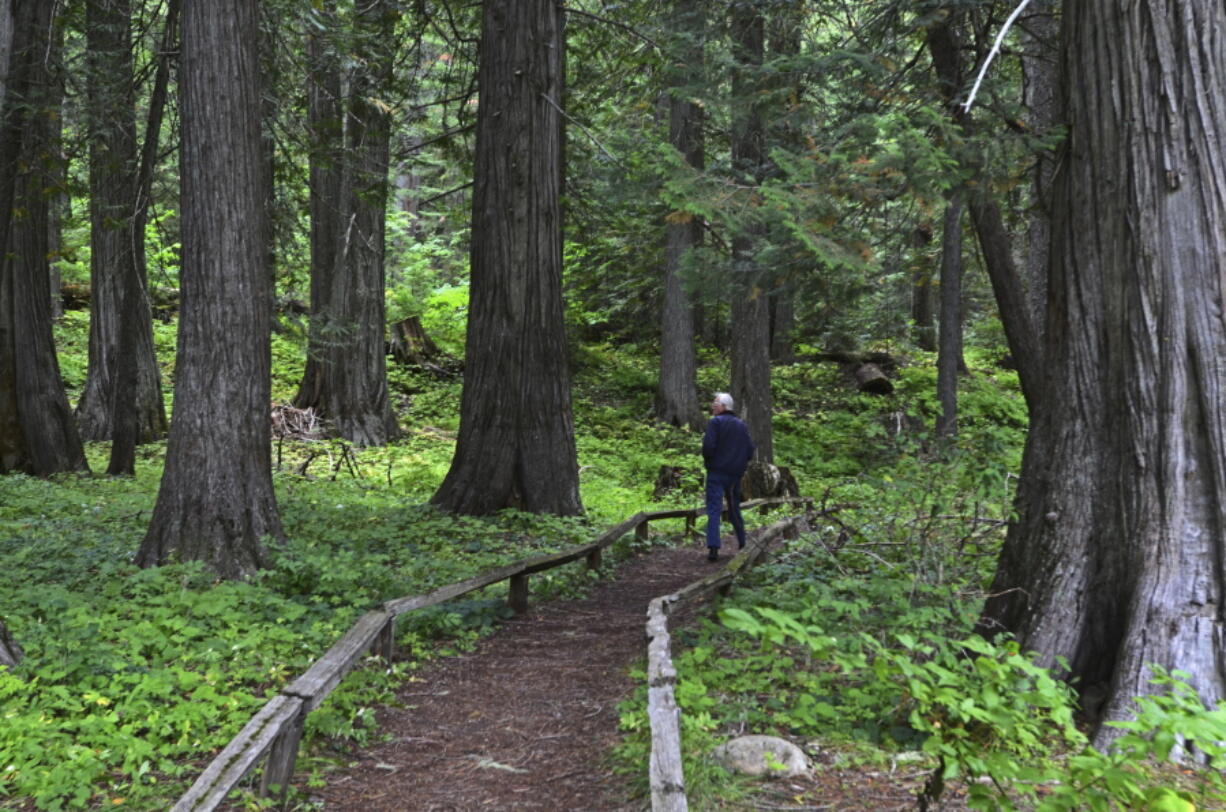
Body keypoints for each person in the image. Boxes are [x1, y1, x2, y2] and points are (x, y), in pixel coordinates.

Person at [701, 392, 754, 561]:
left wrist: (710, 463)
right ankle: (743, 543)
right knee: (734, 509)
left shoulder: (715, 422)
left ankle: (713, 549)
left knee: (714, 510)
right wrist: (739, 464)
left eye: (715, 403)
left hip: (716, 473)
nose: (712, 405)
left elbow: (708, 447)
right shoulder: (741, 425)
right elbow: (750, 449)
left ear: (725, 406)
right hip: (734, 475)